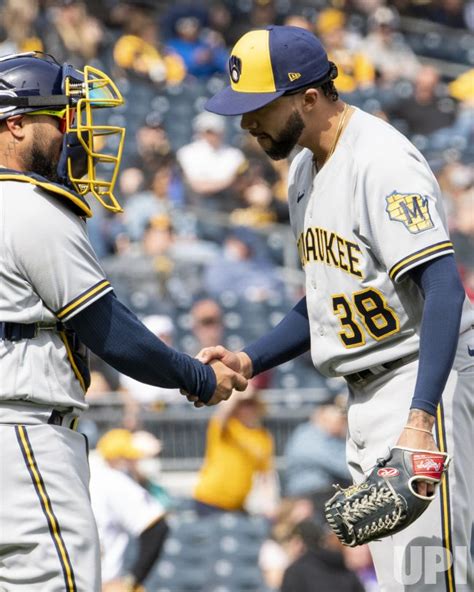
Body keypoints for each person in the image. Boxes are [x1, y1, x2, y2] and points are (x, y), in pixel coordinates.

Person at [188, 25, 474, 591]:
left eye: (260, 108)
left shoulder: (382, 161)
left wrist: (419, 421)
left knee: (431, 580)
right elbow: (323, 295)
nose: (246, 122)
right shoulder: (302, 170)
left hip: (422, 383)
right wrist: (250, 359)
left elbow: (444, 288)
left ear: (309, 98)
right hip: (365, 396)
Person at [0, 52, 247, 591]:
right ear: (14, 124)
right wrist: (199, 376)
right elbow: (109, 328)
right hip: (22, 439)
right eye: (58, 116)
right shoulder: (27, 205)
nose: (72, 130)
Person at [89, 429, 168, 592]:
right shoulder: (113, 479)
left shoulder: (85, 475)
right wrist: (134, 579)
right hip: (102, 583)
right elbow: (157, 528)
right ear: (118, 459)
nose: (135, 464)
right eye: (130, 459)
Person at [193, 385, 278, 516]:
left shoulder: (263, 437)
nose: (247, 409)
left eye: (250, 404)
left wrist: (270, 503)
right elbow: (221, 414)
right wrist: (240, 393)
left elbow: (266, 475)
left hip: (237, 505)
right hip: (210, 500)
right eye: (242, 405)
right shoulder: (227, 427)